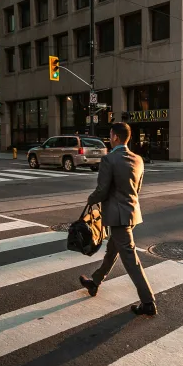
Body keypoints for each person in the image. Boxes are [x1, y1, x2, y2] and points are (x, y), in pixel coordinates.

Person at [79, 121, 157, 316]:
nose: (110, 138)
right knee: (112, 251)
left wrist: (91, 199)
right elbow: (137, 189)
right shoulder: (138, 159)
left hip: (116, 216)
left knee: (131, 260)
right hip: (131, 212)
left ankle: (148, 302)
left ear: (115, 137)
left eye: (111, 135)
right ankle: (94, 282)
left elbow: (102, 190)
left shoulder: (109, 160)